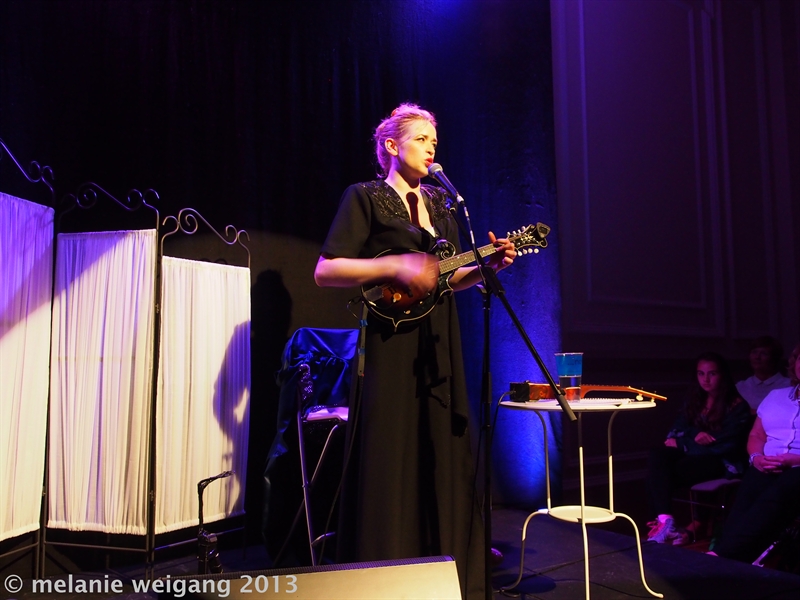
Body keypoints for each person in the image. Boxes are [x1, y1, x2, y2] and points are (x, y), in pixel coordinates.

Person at [314, 103, 516, 599]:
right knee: (392, 452)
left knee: (440, 450)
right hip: (390, 344)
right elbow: (326, 271)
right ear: (391, 145)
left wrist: (487, 267)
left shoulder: (443, 206)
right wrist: (394, 265)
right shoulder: (365, 197)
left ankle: (441, 571)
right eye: (422, 139)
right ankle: (383, 576)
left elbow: (448, 279)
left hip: (439, 343)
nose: (431, 148)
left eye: (434, 141)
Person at [646, 352, 752, 544]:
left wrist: (683, 443)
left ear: (722, 375)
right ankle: (665, 520)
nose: (706, 379)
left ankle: (666, 523)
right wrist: (695, 434)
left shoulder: (737, 406)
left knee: (661, 474)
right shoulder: (695, 400)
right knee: (657, 455)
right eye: (701, 374)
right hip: (694, 456)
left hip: (722, 462)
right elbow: (675, 430)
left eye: (712, 374)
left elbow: (723, 446)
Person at [711, 343, 800, 562]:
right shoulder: (776, 396)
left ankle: (724, 556)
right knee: (750, 490)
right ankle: (732, 556)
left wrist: (794, 460)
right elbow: (757, 435)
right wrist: (756, 458)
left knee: (780, 492)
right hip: (767, 463)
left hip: (797, 467)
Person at [735, 335, 791, 412]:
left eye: (764, 353)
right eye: (754, 352)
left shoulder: (789, 386)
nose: (757, 357)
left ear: (774, 358)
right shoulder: (740, 387)